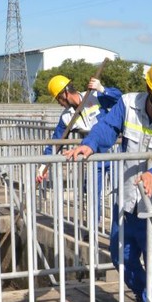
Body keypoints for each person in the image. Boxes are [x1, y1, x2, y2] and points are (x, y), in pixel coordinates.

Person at [63, 56, 152, 302]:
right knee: (122, 256)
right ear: (149, 90)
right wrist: (89, 145)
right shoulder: (129, 104)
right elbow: (107, 128)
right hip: (127, 199)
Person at [37, 73, 122, 228]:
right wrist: (43, 166)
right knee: (92, 194)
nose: (59, 104)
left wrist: (102, 88)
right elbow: (56, 142)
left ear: (65, 93)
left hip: (115, 153)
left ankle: (120, 233)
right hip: (92, 157)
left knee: (120, 193)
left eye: (58, 99)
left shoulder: (94, 96)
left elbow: (121, 100)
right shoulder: (67, 117)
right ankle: (93, 230)